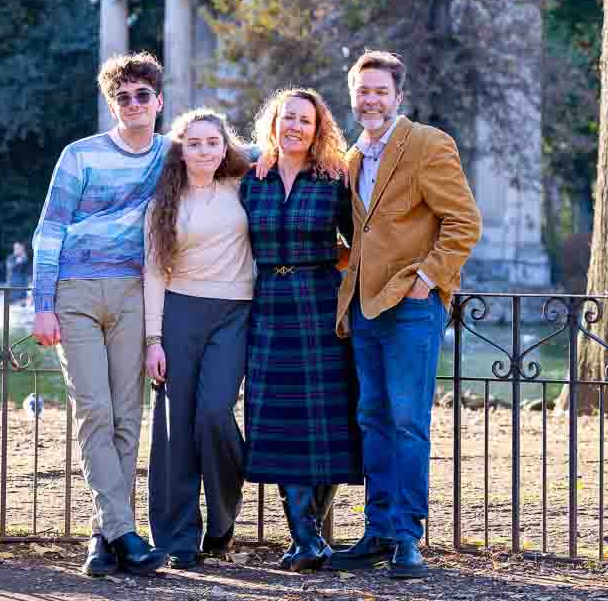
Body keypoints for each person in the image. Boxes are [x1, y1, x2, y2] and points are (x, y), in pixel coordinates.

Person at [328, 51, 482, 579]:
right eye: (362, 91)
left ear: (397, 97)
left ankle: (407, 535)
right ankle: (376, 529)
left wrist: (426, 281)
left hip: (411, 309)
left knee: (407, 421)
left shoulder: (426, 144)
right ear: (353, 97)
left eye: (380, 91)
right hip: (366, 308)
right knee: (372, 418)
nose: (370, 99)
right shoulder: (350, 158)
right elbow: (361, 232)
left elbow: (462, 222)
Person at [31, 52, 169, 577]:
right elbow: (50, 230)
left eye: (142, 95)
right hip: (76, 293)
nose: (132, 104)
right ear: (113, 105)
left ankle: (103, 536)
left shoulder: (170, 155)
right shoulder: (80, 155)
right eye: (122, 97)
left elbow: (225, 152)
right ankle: (126, 534)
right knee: (95, 412)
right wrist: (43, 304)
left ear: (157, 102)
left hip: (135, 292)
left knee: (127, 417)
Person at [239, 88, 361, 572]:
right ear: (273, 122)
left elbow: (362, 241)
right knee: (280, 421)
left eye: (305, 121)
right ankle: (307, 538)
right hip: (269, 303)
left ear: (318, 129)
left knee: (327, 420)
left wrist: (337, 268)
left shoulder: (334, 177)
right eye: (287, 117)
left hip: (320, 303)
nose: (295, 126)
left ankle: (308, 536)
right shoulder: (251, 177)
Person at [143, 109, 254, 569]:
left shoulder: (245, 185)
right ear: (181, 149)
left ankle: (224, 518)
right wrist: (153, 338)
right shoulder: (164, 199)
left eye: (213, 142)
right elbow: (152, 269)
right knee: (175, 429)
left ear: (225, 146)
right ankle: (177, 539)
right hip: (179, 312)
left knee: (213, 413)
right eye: (194, 143)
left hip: (235, 312)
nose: (204, 150)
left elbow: (284, 152)